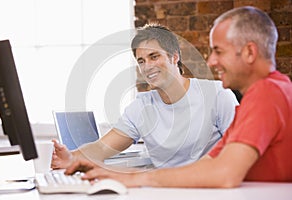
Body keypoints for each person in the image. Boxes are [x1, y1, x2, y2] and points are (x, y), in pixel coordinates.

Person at [64, 6, 292, 187]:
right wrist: (117, 173)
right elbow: (210, 163)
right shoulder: (265, 94)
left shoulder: (265, 94)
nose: (211, 61)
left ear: (250, 52)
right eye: (141, 61)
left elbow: (224, 174)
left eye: (218, 51)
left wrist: (136, 179)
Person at [52, 24, 238, 170]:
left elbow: (238, 153)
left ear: (174, 57)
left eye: (154, 56)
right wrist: (71, 156)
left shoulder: (217, 95)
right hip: (165, 191)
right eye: (141, 61)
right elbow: (101, 148)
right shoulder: (141, 107)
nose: (147, 66)